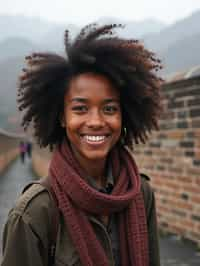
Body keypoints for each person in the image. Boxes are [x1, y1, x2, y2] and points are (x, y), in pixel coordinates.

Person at [1, 24, 163, 266]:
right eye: (80, 108)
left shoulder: (140, 193)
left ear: (124, 115)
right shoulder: (35, 212)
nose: (96, 122)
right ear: (62, 117)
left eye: (109, 108)